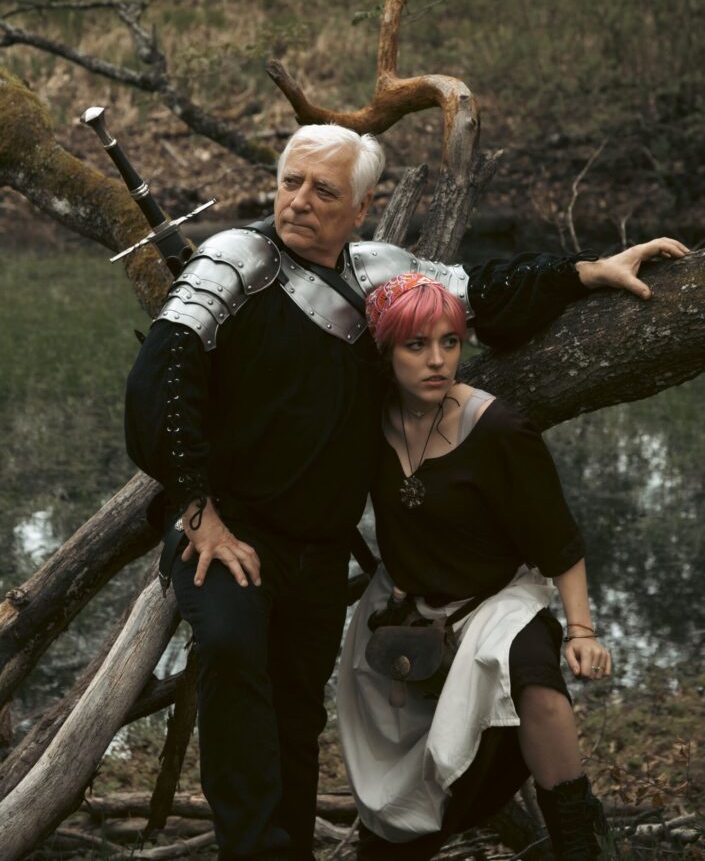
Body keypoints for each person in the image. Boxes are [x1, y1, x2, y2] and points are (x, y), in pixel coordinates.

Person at [124, 122, 686, 861]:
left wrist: (583, 272)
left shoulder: (377, 274)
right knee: (232, 659)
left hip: (318, 549)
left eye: (323, 190)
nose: (298, 201)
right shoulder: (232, 261)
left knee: (296, 712)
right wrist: (200, 511)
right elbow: (161, 380)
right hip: (225, 533)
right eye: (290, 181)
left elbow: (478, 295)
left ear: (360, 209)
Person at [337, 273, 613, 860]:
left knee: (532, 672)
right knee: (395, 808)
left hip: (495, 604)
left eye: (451, 342)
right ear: (385, 352)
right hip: (404, 608)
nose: (438, 361)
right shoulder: (367, 420)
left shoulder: (500, 431)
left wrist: (582, 632)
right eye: (417, 346)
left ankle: (580, 842)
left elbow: (559, 544)